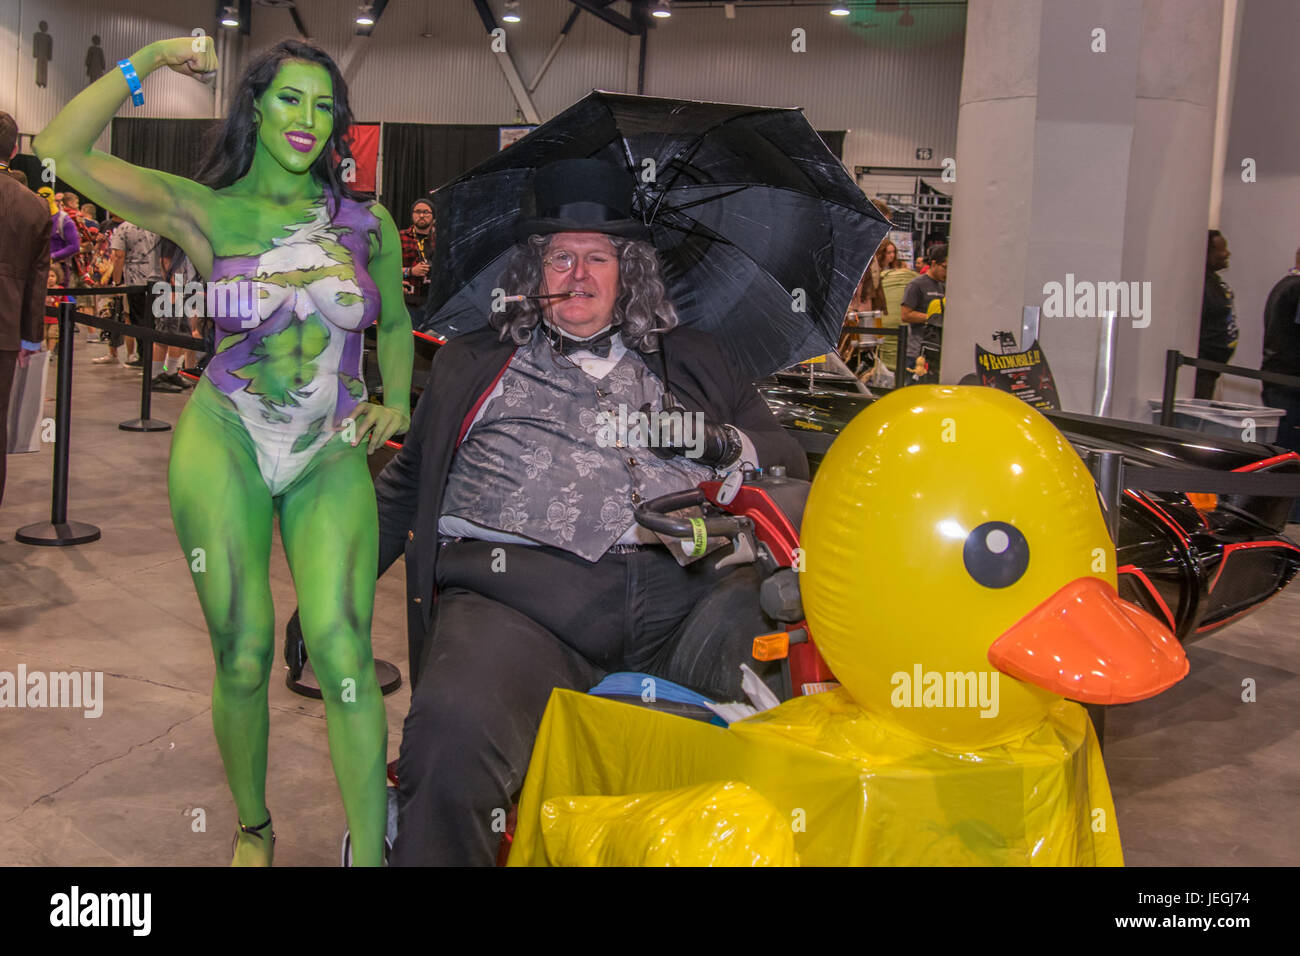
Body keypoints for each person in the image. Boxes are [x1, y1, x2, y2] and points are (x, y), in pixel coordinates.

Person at [34, 34, 412, 866]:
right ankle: (253, 827)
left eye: (323, 105)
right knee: (241, 654)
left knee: (343, 645)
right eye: (289, 99)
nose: (307, 120)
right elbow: (59, 151)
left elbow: (393, 322)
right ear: (255, 107)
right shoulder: (204, 209)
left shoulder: (366, 221)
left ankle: (373, 857)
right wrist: (157, 58)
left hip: (325, 448)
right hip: (228, 437)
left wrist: (396, 397)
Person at [373, 157, 809, 866]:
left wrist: (720, 444)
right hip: (521, 603)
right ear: (531, 274)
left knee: (797, 714)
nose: (579, 274)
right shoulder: (475, 363)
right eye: (560, 257)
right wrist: (334, 598)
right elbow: (404, 485)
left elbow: (788, 460)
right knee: (451, 737)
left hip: (692, 598)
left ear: (626, 271)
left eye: (598, 257)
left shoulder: (694, 358)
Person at [0, 110, 51, 507]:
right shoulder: (35, 207)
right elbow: (38, 281)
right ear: (16, 150)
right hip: (6, 329)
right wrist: (31, 338)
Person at [1261, 248, 1300, 520]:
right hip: (1290, 387)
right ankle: (1291, 514)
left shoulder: (1285, 286)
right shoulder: (1296, 289)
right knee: (1291, 454)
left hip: (1281, 382)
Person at [109, 218, 162, 368]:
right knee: (155, 320)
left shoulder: (125, 228)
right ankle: (155, 358)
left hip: (135, 279)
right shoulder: (155, 224)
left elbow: (119, 255)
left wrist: (117, 281)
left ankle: (144, 356)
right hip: (158, 277)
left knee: (138, 318)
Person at [1196, 229, 1237, 400]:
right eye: (1221, 249)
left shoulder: (1214, 282)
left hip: (1211, 369)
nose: (1227, 253)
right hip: (1201, 368)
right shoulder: (1201, 283)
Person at [900, 242, 947, 382]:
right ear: (934, 263)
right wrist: (934, 318)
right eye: (945, 267)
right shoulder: (916, 285)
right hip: (916, 353)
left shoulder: (943, 286)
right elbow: (906, 314)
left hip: (935, 352)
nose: (947, 272)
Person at [877, 242, 919, 374]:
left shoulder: (897, 272)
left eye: (893, 252)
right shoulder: (877, 272)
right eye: (888, 252)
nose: (891, 256)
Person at [399, 197, 434, 308]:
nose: (422, 216)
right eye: (418, 212)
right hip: (406, 300)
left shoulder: (441, 239)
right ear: (412, 215)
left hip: (433, 300)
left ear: (433, 216)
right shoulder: (400, 237)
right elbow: (386, 269)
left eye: (426, 212)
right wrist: (411, 271)